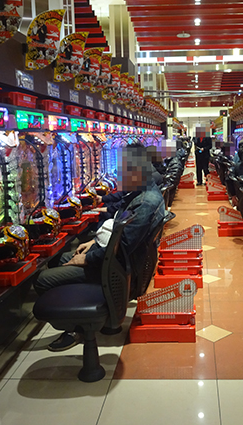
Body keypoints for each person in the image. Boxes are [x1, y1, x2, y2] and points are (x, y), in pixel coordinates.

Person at [34, 146, 166, 351]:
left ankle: (77, 326)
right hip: (117, 259)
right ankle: (85, 312)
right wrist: (94, 242)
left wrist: (87, 258)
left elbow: (121, 248)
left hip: (115, 268)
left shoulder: (145, 202)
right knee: (58, 260)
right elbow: (118, 227)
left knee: (43, 279)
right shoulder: (143, 190)